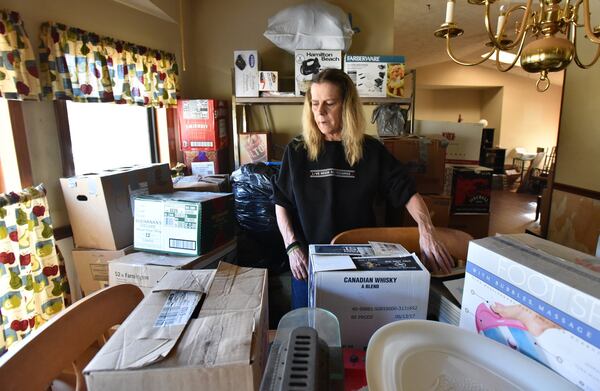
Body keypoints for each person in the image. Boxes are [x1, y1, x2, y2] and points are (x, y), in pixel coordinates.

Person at [272, 68, 454, 309]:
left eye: (329, 103)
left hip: (358, 263)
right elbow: (281, 201)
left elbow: (407, 192)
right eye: (314, 103)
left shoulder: (371, 151)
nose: (320, 112)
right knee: (309, 331)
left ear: (346, 107)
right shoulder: (296, 151)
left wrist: (426, 230)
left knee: (355, 335)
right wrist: (292, 247)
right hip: (308, 263)